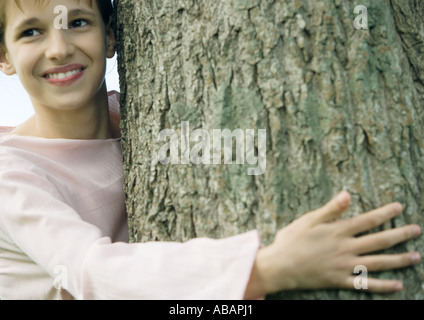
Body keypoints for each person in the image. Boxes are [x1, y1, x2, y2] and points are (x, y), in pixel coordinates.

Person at [0, 0, 421, 300]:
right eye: (31, 31)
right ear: (5, 55)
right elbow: (93, 273)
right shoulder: (12, 175)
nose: (58, 48)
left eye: (78, 22)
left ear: (110, 36)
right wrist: (270, 268)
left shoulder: (139, 114)